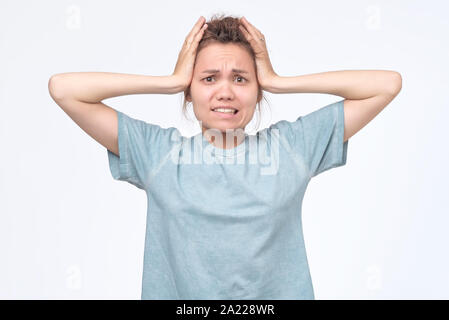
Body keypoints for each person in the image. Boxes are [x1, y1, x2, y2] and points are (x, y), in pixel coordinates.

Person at [48, 14, 402, 299]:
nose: (225, 92)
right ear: (190, 92)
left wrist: (279, 81)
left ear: (257, 91)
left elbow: (387, 85)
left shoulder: (291, 148)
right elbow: (63, 90)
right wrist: (170, 81)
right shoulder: (157, 153)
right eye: (208, 78)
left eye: (241, 79)